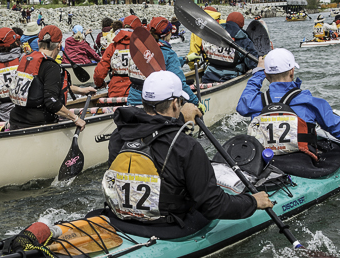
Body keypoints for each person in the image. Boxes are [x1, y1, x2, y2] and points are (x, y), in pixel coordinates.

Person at [100, 70, 269, 239]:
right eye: (180, 102)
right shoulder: (187, 146)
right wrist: (252, 202)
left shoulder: (119, 135)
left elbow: (156, 132)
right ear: (175, 103)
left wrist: (180, 120)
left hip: (119, 218)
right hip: (166, 226)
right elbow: (213, 206)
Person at [237, 48, 340, 172]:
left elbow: (242, 103)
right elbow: (339, 130)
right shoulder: (310, 101)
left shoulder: (253, 102)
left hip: (265, 160)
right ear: (292, 72)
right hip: (302, 162)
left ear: (266, 75)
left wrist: (258, 73)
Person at [9, 25, 95, 130]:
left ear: (38, 42)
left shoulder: (26, 59)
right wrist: (76, 119)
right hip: (37, 123)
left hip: (15, 119)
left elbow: (42, 87)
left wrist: (81, 90)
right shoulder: (51, 67)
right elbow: (51, 103)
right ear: (59, 45)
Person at [126, 16, 199, 107]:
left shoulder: (140, 49)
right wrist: (196, 102)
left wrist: (185, 59)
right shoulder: (168, 53)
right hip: (155, 104)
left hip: (132, 100)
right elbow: (180, 84)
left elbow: (159, 66)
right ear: (168, 34)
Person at [94, 14, 147, 99]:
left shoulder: (112, 47)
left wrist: (99, 84)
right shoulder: (143, 47)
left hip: (116, 92)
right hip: (138, 93)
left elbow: (99, 74)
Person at [200, 11, 257, 84]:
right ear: (242, 25)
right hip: (231, 78)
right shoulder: (244, 40)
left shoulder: (213, 35)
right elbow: (252, 64)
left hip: (208, 77)